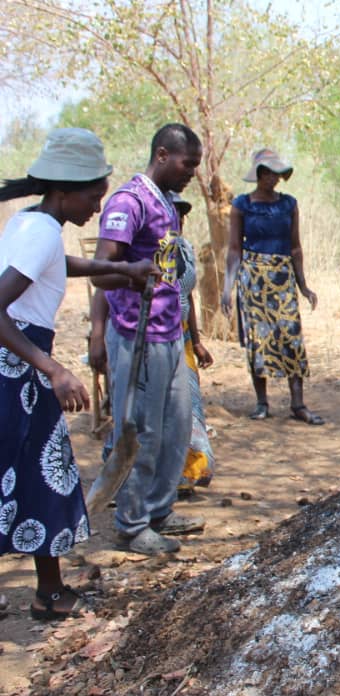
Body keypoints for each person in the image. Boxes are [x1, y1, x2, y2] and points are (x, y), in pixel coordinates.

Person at [0, 128, 158, 619]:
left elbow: (54, 266)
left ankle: (50, 592)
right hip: (16, 368)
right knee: (36, 473)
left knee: (35, 474)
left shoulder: (32, 224)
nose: (97, 205)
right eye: (93, 196)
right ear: (65, 190)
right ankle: (49, 593)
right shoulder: (40, 230)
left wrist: (124, 270)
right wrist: (54, 369)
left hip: (20, 364)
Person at [92, 123, 207, 556]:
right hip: (138, 335)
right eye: (187, 163)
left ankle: (160, 510)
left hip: (170, 333)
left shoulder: (167, 204)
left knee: (177, 426)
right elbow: (101, 269)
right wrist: (131, 275)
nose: (192, 172)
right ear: (162, 154)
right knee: (141, 431)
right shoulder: (129, 202)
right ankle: (132, 522)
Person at [90, 191, 215, 495]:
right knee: (140, 415)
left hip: (178, 339)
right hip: (140, 336)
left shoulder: (182, 249)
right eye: (173, 212)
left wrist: (196, 341)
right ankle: (129, 489)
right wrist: (96, 336)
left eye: (181, 214)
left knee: (183, 412)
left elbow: (186, 297)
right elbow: (103, 290)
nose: (178, 220)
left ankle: (174, 482)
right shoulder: (139, 246)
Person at [221, 149, 321, 424]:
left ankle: (298, 403)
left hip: (283, 277)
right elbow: (233, 249)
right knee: (258, 340)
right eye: (268, 174)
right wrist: (227, 287)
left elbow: (296, 247)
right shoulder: (243, 205)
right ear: (259, 175)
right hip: (253, 279)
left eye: (277, 174)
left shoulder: (289, 204)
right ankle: (262, 402)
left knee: (291, 337)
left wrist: (303, 285)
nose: (274, 179)